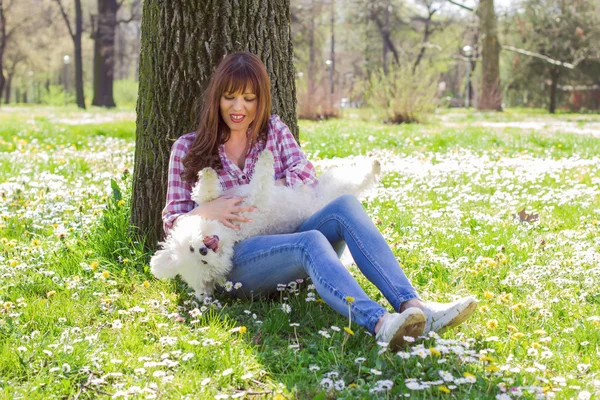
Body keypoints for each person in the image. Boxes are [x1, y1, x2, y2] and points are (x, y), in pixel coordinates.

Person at [162, 51, 477, 350]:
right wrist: (207, 209)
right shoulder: (187, 149)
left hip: (287, 238)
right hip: (236, 262)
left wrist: (263, 193)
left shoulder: (273, 133)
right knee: (309, 240)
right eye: (229, 96)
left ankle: (415, 307)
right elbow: (171, 224)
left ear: (261, 100)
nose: (238, 107)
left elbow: (307, 177)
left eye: (249, 98)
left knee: (345, 207)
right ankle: (381, 324)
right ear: (216, 97)